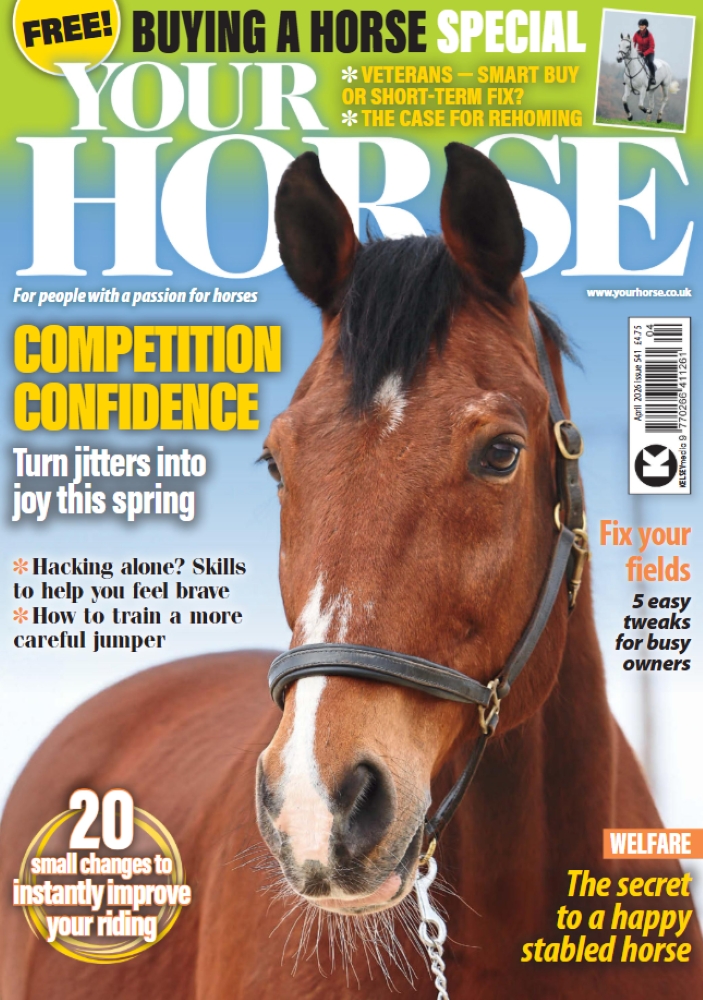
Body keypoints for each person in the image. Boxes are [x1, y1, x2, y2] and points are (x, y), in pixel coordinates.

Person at [633, 18, 656, 89]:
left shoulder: (649, 35)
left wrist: (644, 53)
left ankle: (653, 77)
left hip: (649, 53)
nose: (641, 27)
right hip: (639, 52)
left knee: (650, 62)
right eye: (640, 25)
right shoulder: (636, 34)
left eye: (643, 25)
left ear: (646, 26)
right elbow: (633, 44)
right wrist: (635, 51)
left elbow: (652, 47)